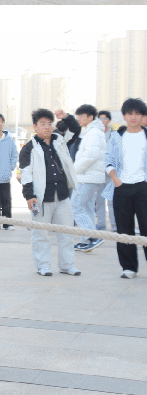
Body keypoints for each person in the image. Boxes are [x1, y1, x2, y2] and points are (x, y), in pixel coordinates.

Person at [18, 109, 81, 277]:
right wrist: (29, 196)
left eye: (49, 123)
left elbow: (76, 130)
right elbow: (26, 174)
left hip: (62, 195)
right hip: (41, 199)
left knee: (67, 233)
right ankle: (43, 266)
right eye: (42, 124)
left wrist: (66, 117)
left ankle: (67, 265)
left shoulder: (60, 141)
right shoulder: (29, 148)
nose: (47, 127)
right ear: (35, 126)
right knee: (40, 234)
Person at [103, 97, 147, 278]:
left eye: (137, 113)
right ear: (124, 116)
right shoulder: (116, 136)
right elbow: (108, 159)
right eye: (129, 113)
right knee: (123, 229)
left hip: (144, 187)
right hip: (122, 188)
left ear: (142, 116)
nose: (133, 117)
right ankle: (129, 267)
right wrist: (115, 179)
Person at [72, 104, 108, 253]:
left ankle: (93, 237)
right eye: (78, 116)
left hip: (87, 176)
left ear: (90, 117)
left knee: (75, 206)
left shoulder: (94, 133)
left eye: (82, 116)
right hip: (88, 176)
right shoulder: (91, 132)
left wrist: (74, 170)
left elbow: (90, 157)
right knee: (86, 208)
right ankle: (86, 240)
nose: (79, 119)